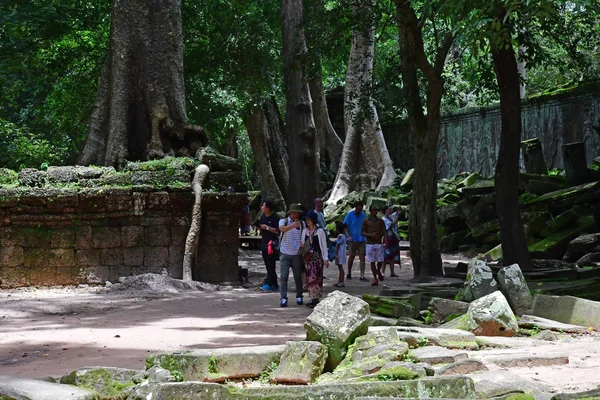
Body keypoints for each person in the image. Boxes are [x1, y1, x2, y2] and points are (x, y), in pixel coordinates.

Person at [278, 203, 305, 307]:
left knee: (297, 276)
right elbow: (281, 229)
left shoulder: (302, 224)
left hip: (297, 254)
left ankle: (299, 296)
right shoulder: (283, 221)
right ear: (290, 213)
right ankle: (283, 298)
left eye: (297, 214)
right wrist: (292, 226)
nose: (296, 216)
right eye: (294, 213)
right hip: (284, 253)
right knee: (284, 276)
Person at [301, 210, 329, 307]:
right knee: (310, 278)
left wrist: (326, 258)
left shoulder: (320, 231)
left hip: (317, 258)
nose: (307, 221)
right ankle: (313, 298)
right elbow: (302, 244)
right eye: (306, 220)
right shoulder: (305, 231)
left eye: (309, 220)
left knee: (317, 278)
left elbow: (324, 246)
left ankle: (315, 298)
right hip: (308, 259)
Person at [361, 204, 386, 286]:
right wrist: (371, 235)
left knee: (380, 261)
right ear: (371, 211)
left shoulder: (380, 221)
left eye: (376, 210)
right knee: (372, 262)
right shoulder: (366, 221)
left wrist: (386, 241)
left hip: (379, 243)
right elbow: (362, 233)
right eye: (374, 210)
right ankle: (375, 278)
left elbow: (384, 231)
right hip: (370, 244)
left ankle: (378, 270)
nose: (376, 211)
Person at [258, 200, 279, 292]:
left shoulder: (275, 218)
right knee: (267, 264)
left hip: (272, 244)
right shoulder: (262, 217)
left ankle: (271, 284)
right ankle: (271, 283)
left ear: (268, 208)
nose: (262, 208)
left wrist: (267, 227)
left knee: (271, 264)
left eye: (263, 206)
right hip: (264, 243)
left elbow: (277, 230)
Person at [343, 200, 367, 281]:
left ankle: (362, 275)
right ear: (355, 207)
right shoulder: (350, 215)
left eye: (361, 209)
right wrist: (348, 236)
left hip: (362, 239)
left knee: (362, 257)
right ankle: (349, 272)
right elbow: (345, 226)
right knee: (351, 257)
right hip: (352, 240)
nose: (359, 210)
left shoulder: (363, 215)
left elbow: (366, 226)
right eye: (358, 208)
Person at [382, 206, 401, 277]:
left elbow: (395, 214)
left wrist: (398, 212)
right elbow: (392, 224)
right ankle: (382, 272)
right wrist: (397, 216)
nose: (391, 210)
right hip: (388, 238)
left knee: (392, 255)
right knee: (385, 256)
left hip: (393, 238)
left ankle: (392, 272)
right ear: (385, 211)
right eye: (389, 209)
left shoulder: (390, 217)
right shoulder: (384, 219)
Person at [333, 221, 347, 287]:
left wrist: (335, 254)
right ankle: (340, 281)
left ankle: (342, 281)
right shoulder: (343, 236)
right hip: (342, 253)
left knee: (340, 268)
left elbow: (337, 245)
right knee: (340, 268)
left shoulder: (340, 236)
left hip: (340, 253)